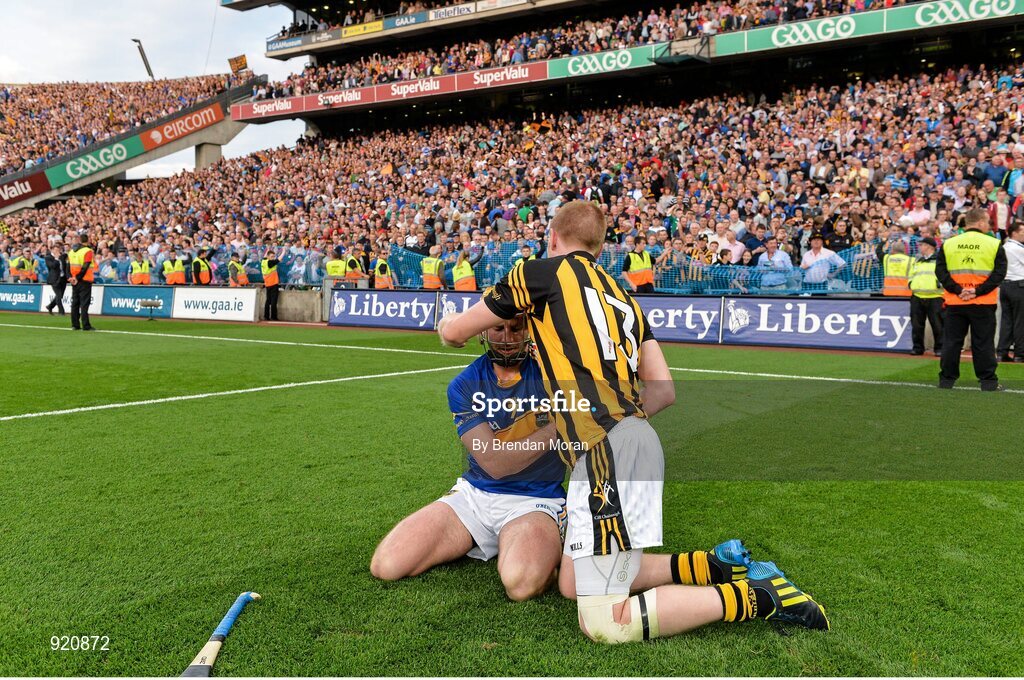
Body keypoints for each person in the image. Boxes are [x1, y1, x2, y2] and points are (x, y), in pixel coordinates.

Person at [438, 201, 828, 644]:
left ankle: (756, 596)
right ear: (600, 249)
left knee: (605, 623)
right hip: (630, 439)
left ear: (552, 238)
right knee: (571, 582)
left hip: (607, 450)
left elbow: (455, 333)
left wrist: (447, 321)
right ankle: (717, 565)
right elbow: (663, 391)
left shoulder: (538, 273)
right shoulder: (623, 296)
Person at [371, 315, 565, 601]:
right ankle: (503, 540)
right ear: (482, 332)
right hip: (475, 495)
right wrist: (564, 423)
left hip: (536, 500)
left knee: (520, 584)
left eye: (516, 327)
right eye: (499, 328)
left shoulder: (556, 373)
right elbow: (496, 464)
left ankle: (540, 543)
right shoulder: (463, 385)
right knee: (386, 565)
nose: (508, 337)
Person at [935, 208, 1007, 391]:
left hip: (955, 301)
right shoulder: (993, 243)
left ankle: (946, 380)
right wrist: (977, 291)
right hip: (983, 302)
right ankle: (988, 382)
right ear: (981, 222)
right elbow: (999, 274)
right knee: (983, 343)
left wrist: (959, 290)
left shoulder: (949, 243)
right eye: (988, 222)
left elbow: (941, 272)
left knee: (952, 342)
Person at [908, 237, 944, 356]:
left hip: (935, 296)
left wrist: (939, 285)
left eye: (922, 245)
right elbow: (911, 274)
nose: (920, 247)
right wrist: (910, 283)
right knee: (917, 325)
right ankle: (917, 348)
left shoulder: (939, 260)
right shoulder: (918, 260)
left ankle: (940, 348)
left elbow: (944, 275)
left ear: (929, 246)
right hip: (917, 296)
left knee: (938, 325)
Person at [997, 221, 1024, 362]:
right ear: (1014, 233)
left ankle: (1002, 351)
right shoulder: (1019, 248)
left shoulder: (1004, 246)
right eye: (1022, 231)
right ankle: (1020, 353)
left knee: (1006, 320)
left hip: (1005, 286)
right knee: (1020, 320)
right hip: (1019, 286)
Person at [67, 233, 95, 331]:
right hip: (84, 280)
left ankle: (75, 324)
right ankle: (85, 325)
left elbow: (68, 266)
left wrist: (71, 277)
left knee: (75, 303)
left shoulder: (71, 252)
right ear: (87, 240)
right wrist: (78, 278)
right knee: (84, 304)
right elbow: (85, 267)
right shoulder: (88, 251)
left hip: (74, 281)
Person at [43, 244, 68, 315]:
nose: (57, 251)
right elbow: (52, 266)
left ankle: (50, 306)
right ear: (52, 250)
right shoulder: (48, 257)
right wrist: (56, 259)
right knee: (59, 295)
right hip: (54, 279)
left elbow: (65, 265)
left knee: (60, 296)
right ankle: (61, 311)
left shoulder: (62, 257)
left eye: (58, 250)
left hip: (63, 278)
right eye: (56, 250)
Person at [262, 248, 281, 321]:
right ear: (268, 256)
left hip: (267, 283)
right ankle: (273, 316)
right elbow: (278, 260)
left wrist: (268, 249)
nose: (273, 258)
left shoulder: (263, 261)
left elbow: (264, 256)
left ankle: (266, 316)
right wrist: (283, 252)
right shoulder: (270, 263)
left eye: (273, 256)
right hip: (273, 282)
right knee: (273, 301)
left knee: (268, 301)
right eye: (272, 256)